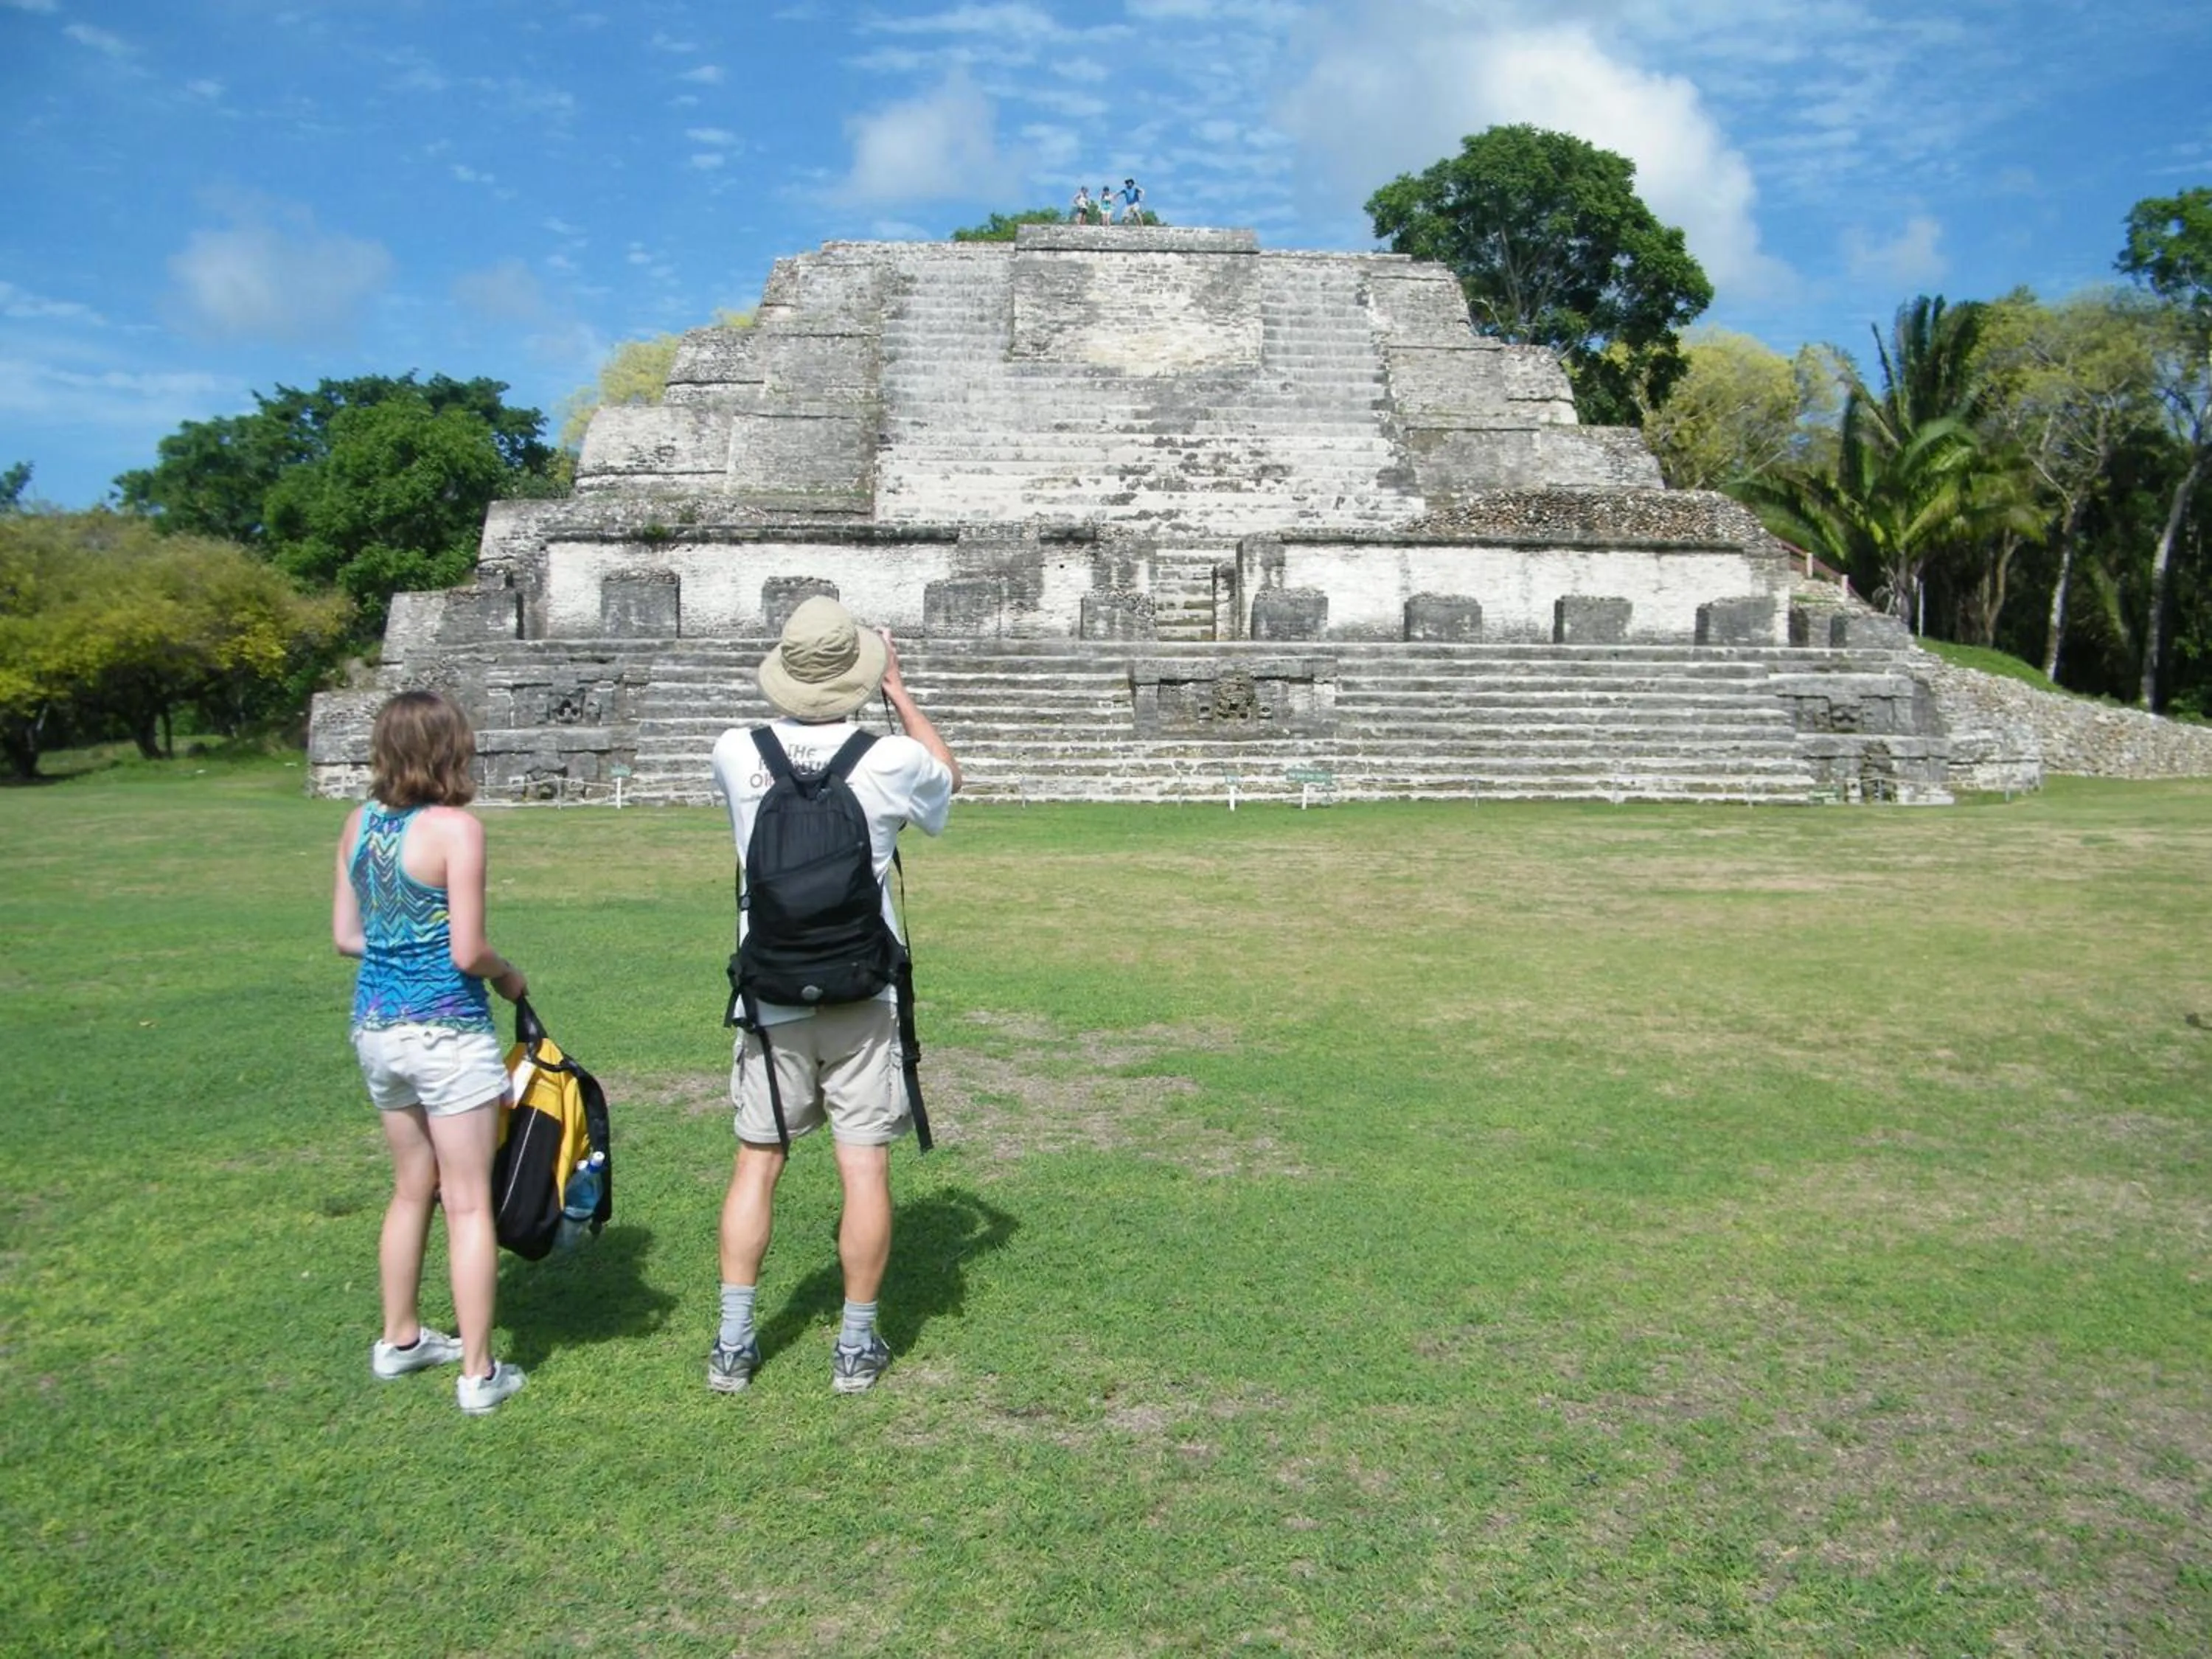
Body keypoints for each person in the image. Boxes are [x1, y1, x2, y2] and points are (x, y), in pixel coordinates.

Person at [707, 597, 960, 1395]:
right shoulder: (891, 762)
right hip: (862, 994)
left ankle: (733, 1345)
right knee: (864, 1169)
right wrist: (899, 692)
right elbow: (949, 781)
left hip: (771, 993)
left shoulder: (734, 751)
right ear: (860, 672)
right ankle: (854, 1348)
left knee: (757, 1164)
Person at [331, 690, 530, 1416]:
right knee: (468, 1201)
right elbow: (467, 949)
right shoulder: (456, 830)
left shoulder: (359, 823)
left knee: (412, 1187)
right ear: (450, 750)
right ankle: (479, 1372)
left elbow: (347, 937)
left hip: (378, 1025)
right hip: (446, 1029)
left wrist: (397, 947)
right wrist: (508, 976)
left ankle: (401, 1337)